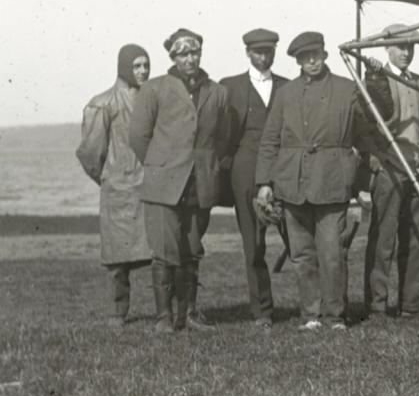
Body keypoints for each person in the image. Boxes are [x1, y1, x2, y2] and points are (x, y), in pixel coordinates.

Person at [256, 31, 385, 330]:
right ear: (298, 61)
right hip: (293, 181)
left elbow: (370, 125)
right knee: (302, 254)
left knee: (332, 252)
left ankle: (334, 315)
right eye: (305, 58)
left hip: (332, 179)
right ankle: (311, 315)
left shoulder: (347, 89)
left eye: (316, 55)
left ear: (325, 55)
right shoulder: (286, 93)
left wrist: (376, 82)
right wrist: (264, 182)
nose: (311, 61)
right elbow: (270, 139)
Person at [128, 28, 230, 333]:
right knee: (164, 251)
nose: (189, 59)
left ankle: (190, 314)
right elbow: (138, 136)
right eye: (182, 54)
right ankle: (164, 317)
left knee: (192, 249)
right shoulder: (154, 89)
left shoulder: (218, 92)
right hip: (163, 184)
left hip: (201, 183)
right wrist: (160, 166)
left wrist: (208, 167)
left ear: (200, 54)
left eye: (194, 52)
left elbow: (223, 138)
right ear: (173, 57)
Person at [76, 43, 153, 328]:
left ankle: (166, 311)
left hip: (150, 189)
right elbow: (90, 153)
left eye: (146, 65)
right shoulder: (103, 103)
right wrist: (110, 178)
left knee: (160, 253)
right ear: (124, 68)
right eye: (136, 66)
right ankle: (117, 312)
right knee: (118, 261)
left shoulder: (152, 99)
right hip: (118, 191)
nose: (142, 71)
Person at [362, 24, 419, 319]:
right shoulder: (376, 79)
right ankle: (377, 305)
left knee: (417, 239)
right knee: (384, 239)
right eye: (401, 47)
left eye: (410, 47)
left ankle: (410, 305)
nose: (406, 52)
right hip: (391, 168)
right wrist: (376, 159)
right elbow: (368, 123)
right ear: (387, 48)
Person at [219, 28, 288, 327]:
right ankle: (262, 310)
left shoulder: (288, 86)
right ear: (248, 53)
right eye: (258, 51)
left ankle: (316, 306)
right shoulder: (229, 86)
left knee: (296, 238)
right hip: (244, 169)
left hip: (283, 168)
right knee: (253, 243)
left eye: (269, 51)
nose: (264, 56)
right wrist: (227, 162)